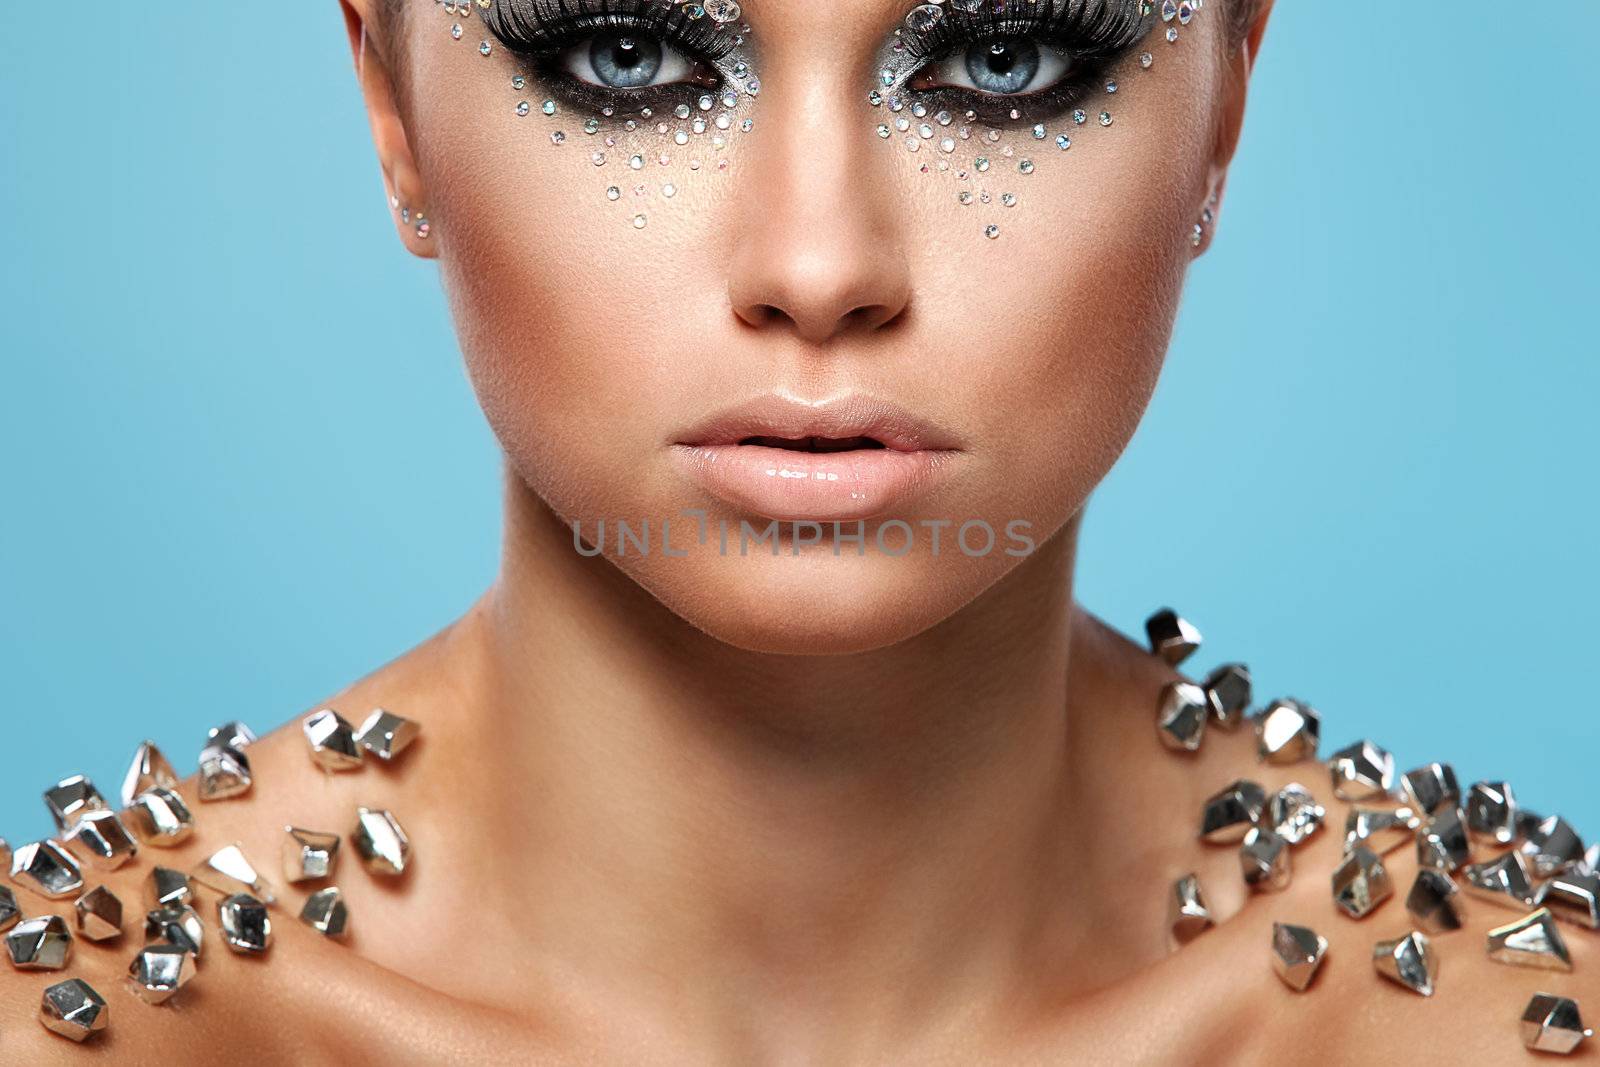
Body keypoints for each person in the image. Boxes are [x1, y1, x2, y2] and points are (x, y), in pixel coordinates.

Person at [3, 0, 1595, 1060]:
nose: (822, 264)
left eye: (1006, 64)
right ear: (390, 96)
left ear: (1228, 102)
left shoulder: (1519, 1018)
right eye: (626, 58)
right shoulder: (77, 1016)